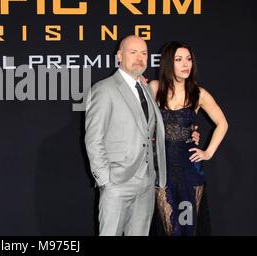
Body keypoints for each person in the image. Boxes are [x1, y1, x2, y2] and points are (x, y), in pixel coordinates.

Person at [84, 35, 198, 236]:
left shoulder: (147, 88)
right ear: (119, 56)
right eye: (133, 52)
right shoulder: (104, 89)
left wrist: (192, 133)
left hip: (147, 184)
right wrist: (106, 182)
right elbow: (93, 139)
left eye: (144, 53)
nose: (139, 58)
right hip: (117, 183)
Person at [148, 41, 228, 236]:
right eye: (178, 59)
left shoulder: (198, 94)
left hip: (190, 172)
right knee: (169, 230)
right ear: (168, 63)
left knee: (188, 228)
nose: (186, 64)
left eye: (188, 59)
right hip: (162, 172)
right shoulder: (154, 87)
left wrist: (207, 152)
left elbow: (222, 123)